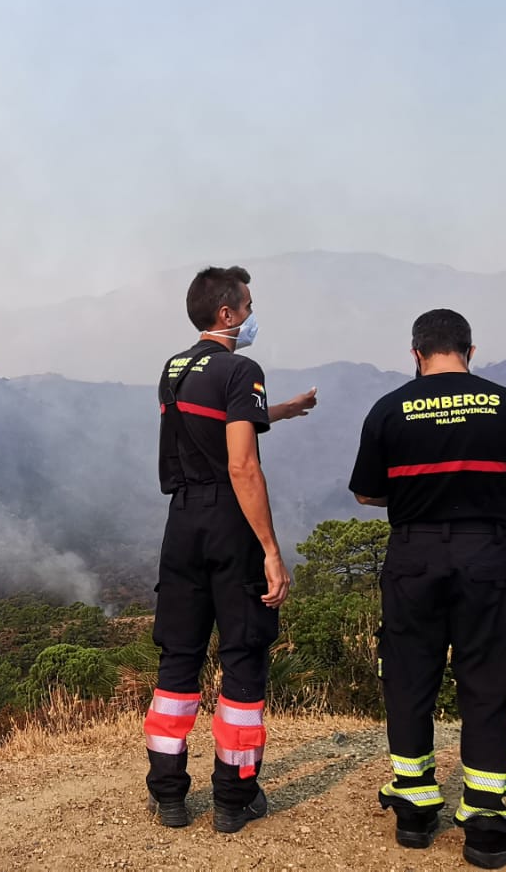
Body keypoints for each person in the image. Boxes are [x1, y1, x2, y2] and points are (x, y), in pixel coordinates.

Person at [348, 308, 506, 868]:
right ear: (470, 350)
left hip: (413, 554)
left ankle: (414, 809)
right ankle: (486, 823)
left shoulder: (389, 409)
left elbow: (367, 496)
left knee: (409, 675)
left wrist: (428, 492)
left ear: (415, 353)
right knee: (488, 677)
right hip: (487, 552)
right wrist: (487, 490)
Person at [145, 266, 318, 834]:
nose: (250, 316)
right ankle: (232, 798)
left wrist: (282, 410)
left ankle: (168, 796)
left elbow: (209, 425)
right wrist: (269, 548)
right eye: (246, 306)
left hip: (182, 521)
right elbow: (241, 463)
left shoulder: (175, 368)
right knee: (242, 655)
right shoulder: (243, 368)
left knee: (179, 658)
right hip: (229, 521)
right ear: (227, 313)